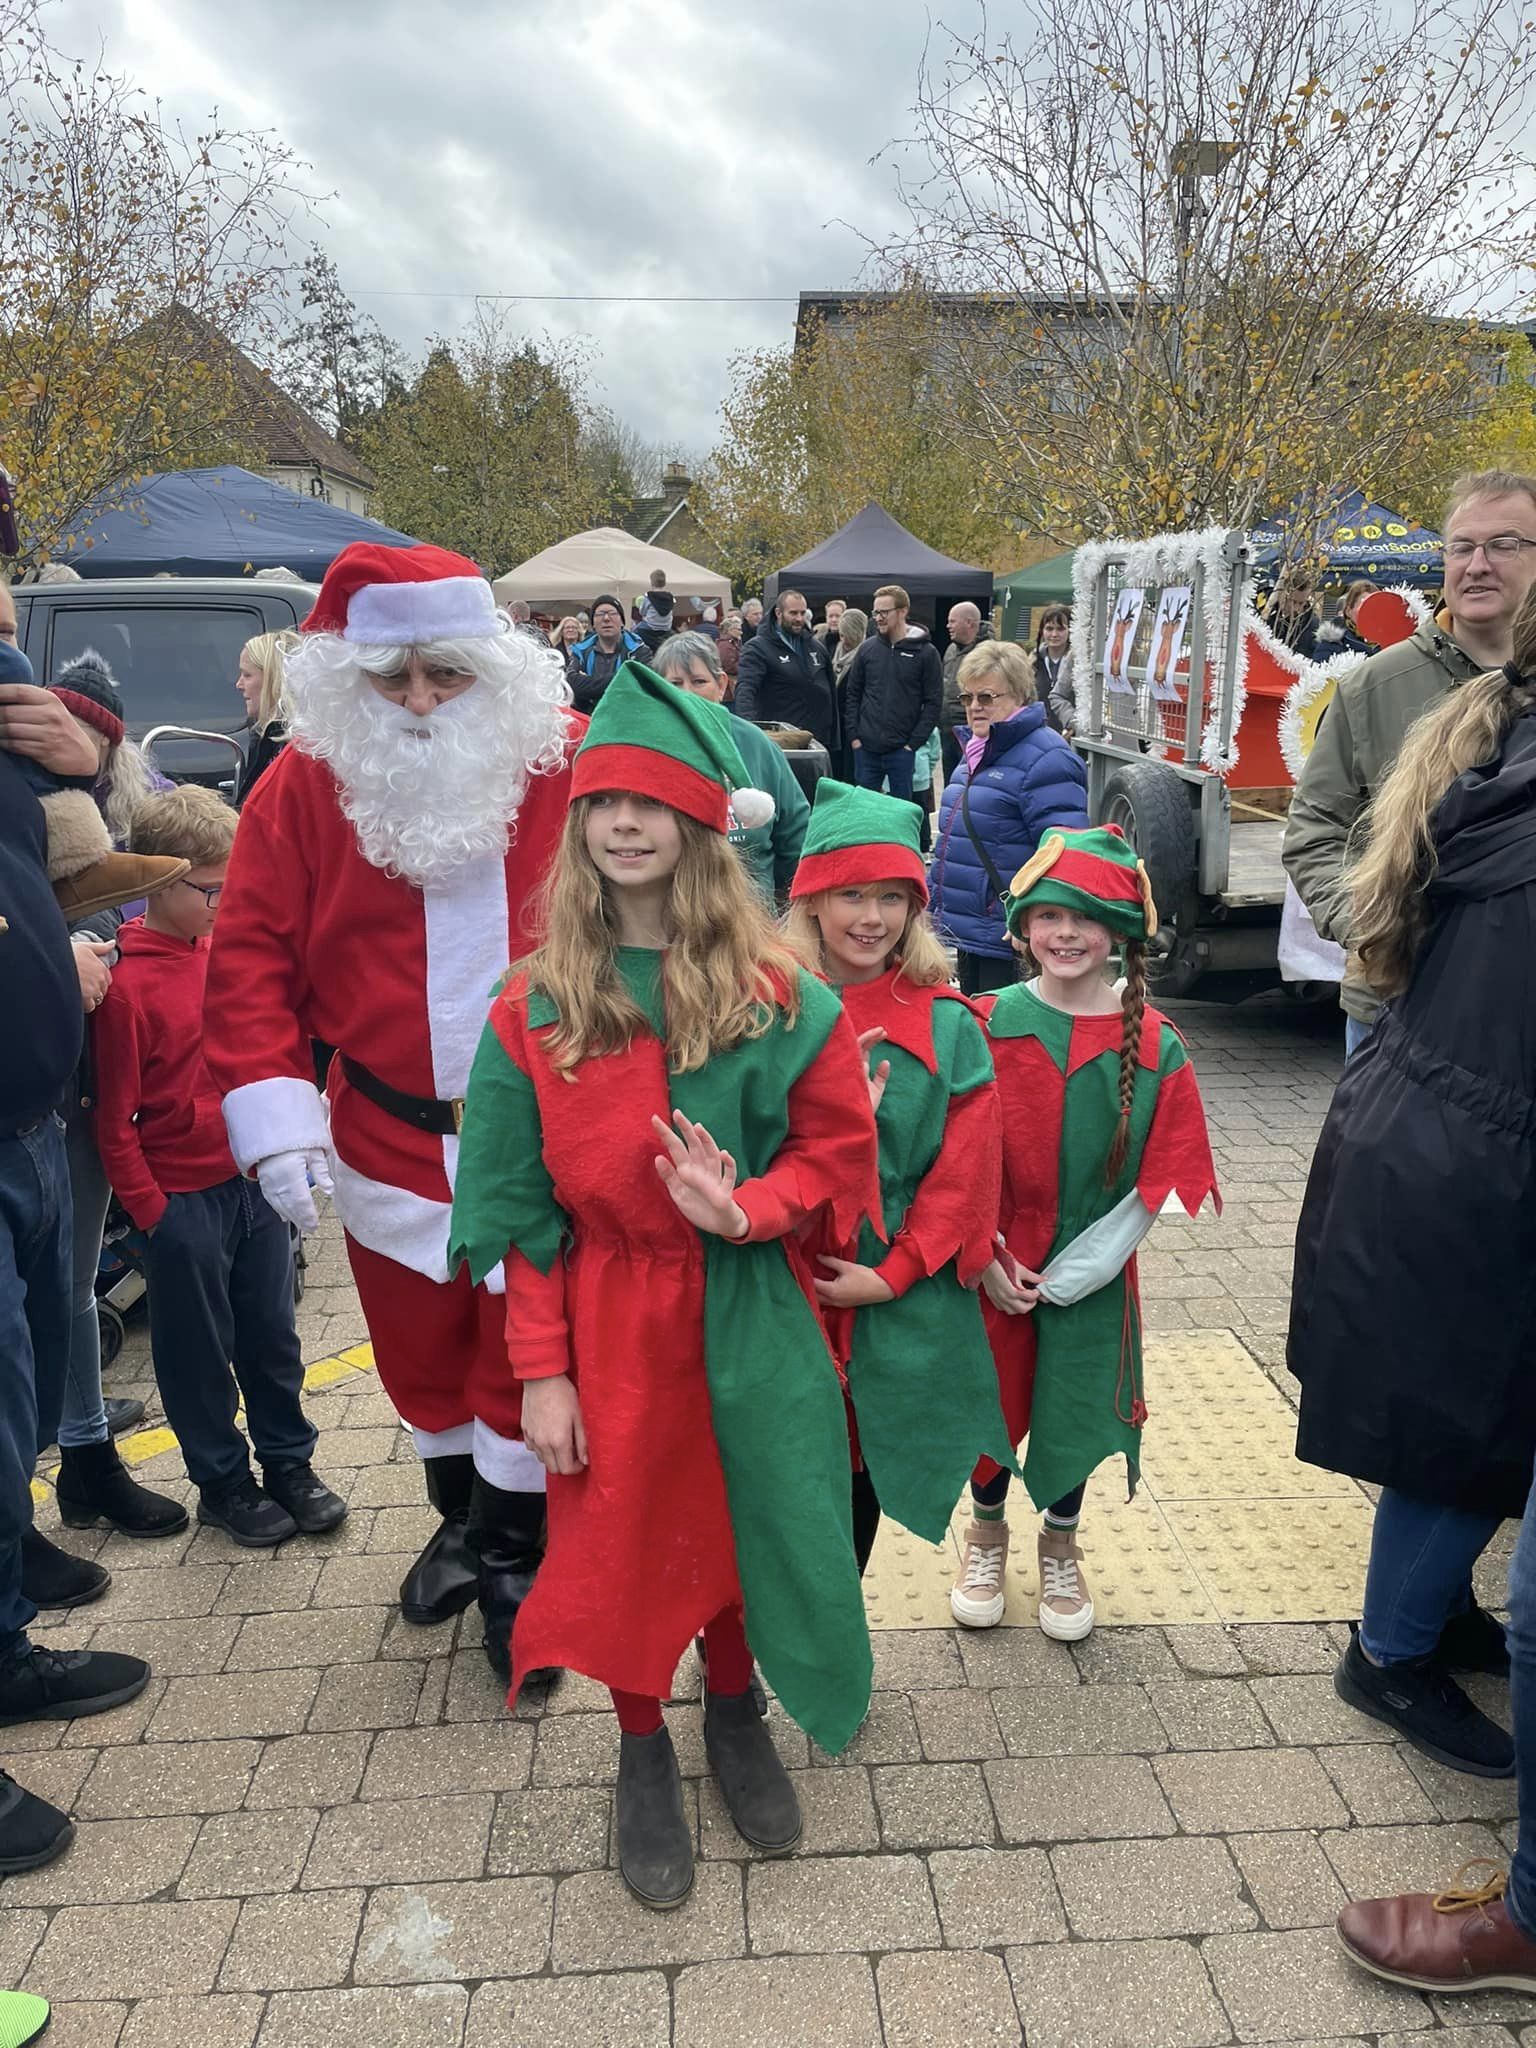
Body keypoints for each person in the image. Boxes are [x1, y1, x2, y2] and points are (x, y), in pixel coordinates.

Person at [447, 663, 881, 1910]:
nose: (624, 824)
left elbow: (836, 1147)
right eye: (603, 804)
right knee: (626, 1529)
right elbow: (518, 1208)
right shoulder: (535, 1003)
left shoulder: (779, 992)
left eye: (649, 803)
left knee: (750, 1510)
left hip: (749, 1301)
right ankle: (641, 1738)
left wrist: (751, 1208)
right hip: (611, 1313)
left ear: (698, 823)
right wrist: (542, 1370)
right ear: (579, 824)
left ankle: (733, 1702)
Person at [201, 543, 581, 1670]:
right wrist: (273, 1107)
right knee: (420, 1354)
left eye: (446, 674)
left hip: (544, 1137)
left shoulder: (564, 764)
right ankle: (460, 1524)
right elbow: (250, 953)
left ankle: (519, 1558)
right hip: (384, 1133)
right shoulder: (301, 787)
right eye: (391, 676)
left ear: (493, 669)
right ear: (349, 679)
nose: (418, 702)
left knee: (525, 1351)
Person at [1289, 584, 1536, 1778]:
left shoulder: (1498, 754)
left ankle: (1429, 1613)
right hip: (1472, 1150)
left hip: (1442, 1125)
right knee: (1469, 1427)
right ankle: (1390, 1652)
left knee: (1464, 1418)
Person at [953, 825, 1219, 1638]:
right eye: (1050, 916)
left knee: (1073, 1405)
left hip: (1091, 1272)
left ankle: (1061, 1544)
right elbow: (948, 1158)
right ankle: (986, 1533)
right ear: (1022, 927)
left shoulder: (1159, 1046)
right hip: (992, 1260)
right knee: (989, 1400)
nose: (1066, 934)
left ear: (1122, 933)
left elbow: (1160, 1184)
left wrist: (1084, 1269)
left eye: (1088, 918)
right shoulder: (982, 1023)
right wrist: (984, 1254)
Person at [0, 586, 152, 1877]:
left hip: (27, 1112)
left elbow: (55, 864)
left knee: (22, 1389)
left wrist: (85, 765)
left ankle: (3, 1637)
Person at [91, 787, 347, 1546]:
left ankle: (290, 1464)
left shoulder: (231, 959)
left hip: (253, 1183)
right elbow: (114, 1120)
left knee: (272, 1337)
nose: (225, 904)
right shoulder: (127, 989)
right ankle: (223, 1482)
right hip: (183, 1201)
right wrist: (156, 1215)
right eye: (210, 891)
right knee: (197, 1356)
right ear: (158, 882)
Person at [784, 779, 1015, 1575]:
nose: (872, 917)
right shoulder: (766, 1009)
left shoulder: (948, 1023)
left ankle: (837, 1618)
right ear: (813, 897)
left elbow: (965, 1173)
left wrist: (895, 1273)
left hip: (891, 1293)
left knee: (862, 1471)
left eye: (892, 897)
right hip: (782, 1279)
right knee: (775, 1472)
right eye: (851, 893)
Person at [1285, 470, 1536, 1055]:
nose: (1477, 565)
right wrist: (1373, 929)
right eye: (1461, 547)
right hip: (1400, 1008)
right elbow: (1315, 829)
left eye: (1503, 544)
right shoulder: (1372, 687)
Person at [929, 640, 1090, 996]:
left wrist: (1029, 917)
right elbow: (954, 842)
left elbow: (1063, 851)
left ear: (1018, 694)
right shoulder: (977, 750)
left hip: (1010, 937)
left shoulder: (1048, 758)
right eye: (967, 697)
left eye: (986, 697)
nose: (974, 706)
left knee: (1005, 1026)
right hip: (972, 931)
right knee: (978, 1021)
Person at [652, 633, 808, 903]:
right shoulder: (646, 749)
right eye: (675, 683)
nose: (687, 693)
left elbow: (796, 839)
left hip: (752, 915)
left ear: (721, 685)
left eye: (699, 682)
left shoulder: (756, 746)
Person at [843, 585, 942, 804]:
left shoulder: (926, 653)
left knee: (900, 812)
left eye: (884, 612)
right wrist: (855, 738)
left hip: (902, 752)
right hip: (866, 750)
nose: (878, 618)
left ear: (903, 611)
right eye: (875, 612)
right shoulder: (867, 649)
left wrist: (912, 744)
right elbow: (853, 694)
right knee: (864, 811)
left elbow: (933, 702)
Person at [733, 589, 839, 750]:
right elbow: (745, 691)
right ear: (778, 613)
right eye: (793, 613)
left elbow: (830, 692)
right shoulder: (757, 648)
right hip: (782, 744)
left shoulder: (816, 647)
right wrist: (750, 735)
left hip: (818, 742)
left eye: (802, 613)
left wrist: (834, 739)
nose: (799, 618)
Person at [234, 632, 294, 806]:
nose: (239, 684)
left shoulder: (297, 749)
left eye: (247, 675)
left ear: (273, 679)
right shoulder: (267, 736)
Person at [566, 595, 645, 713]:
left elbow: (640, 684)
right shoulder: (580, 651)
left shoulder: (638, 650)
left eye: (612, 613)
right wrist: (623, 678)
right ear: (593, 624)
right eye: (600, 614)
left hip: (627, 717)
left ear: (622, 622)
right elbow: (572, 683)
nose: (606, 618)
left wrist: (589, 682)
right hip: (589, 718)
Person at [941, 602, 994, 774]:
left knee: (973, 777)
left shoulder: (988, 653)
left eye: (952, 621)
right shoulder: (951, 650)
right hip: (948, 730)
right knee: (952, 780)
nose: (948, 626)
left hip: (972, 730)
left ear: (969, 623)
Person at [1034, 606, 1076, 736]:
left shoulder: (1079, 664)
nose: (1054, 634)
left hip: (1071, 734)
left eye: (1060, 629)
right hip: (1040, 733)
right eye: (1049, 628)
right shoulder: (1032, 663)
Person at [1314, 578, 1381, 659]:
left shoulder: (1388, 642)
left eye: (1375, 606)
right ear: (1348, 611)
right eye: (1363, 604)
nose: (1370, 611)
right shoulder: (1333, 642)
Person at [1266, 568, 1321, 657]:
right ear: (1283, 593)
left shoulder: (1312, 624)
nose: (1296, 608)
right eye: (1292, 601)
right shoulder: (1267, 614)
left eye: (1301, 603)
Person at [636, 569, 676, 653]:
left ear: (652, 582)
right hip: (666, 627)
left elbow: (642, 612)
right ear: (664, 582)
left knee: (634, 631)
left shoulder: (648, 597)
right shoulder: (671, 597)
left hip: (651, 626)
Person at [818, 597, 848, 662]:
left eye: (838, 616)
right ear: (826, 618)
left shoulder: (851, 641)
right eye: (830, 616)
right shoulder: (819, 641)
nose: (834, 620)